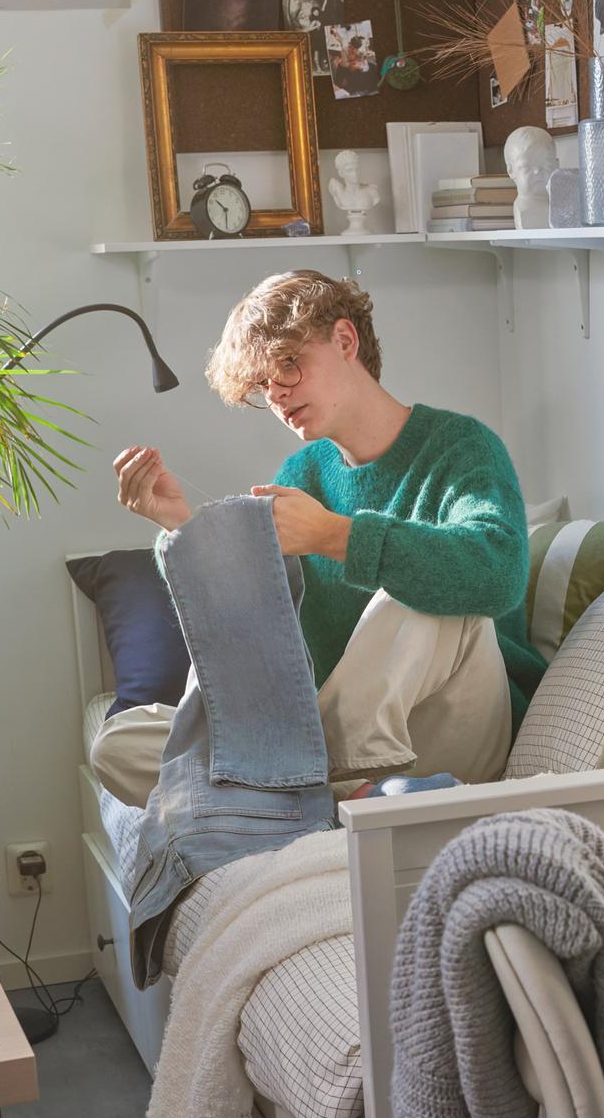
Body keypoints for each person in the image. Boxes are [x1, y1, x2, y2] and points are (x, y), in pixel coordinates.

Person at [93, 269, 546, 808]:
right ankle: (339, 793)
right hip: (320, 736)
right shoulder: (302, 474)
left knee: (420, 589)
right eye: (262, 383)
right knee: (119, 745)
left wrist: (335, 536)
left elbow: (498, 575)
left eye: (288, 363)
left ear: (346, 340)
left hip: (455, 728)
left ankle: (306, 789)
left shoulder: (461, 446)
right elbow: (247, 625)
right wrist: (183, 530)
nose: (277, 392)